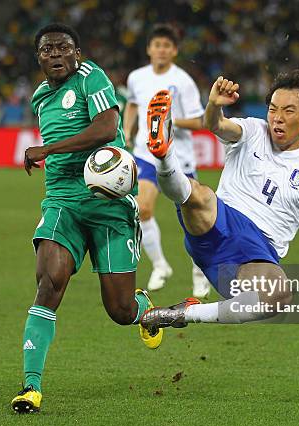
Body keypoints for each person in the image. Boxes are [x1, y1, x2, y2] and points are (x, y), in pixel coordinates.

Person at [11, 23, 162, 414]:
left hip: (109, 203)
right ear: (39, 57)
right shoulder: (42, 97)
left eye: (64, 48)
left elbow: (106, 128)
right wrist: (52, 157)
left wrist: (48, 149)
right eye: (48, 50)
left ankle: (143, 308)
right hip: (63, 202)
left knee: (120, 312)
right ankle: (31, 387)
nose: (56, 55)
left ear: (77, 52)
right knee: (49, 284)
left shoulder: (90, 76)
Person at [139, 71, 299, 334]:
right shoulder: (253, 130)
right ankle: (163, 156)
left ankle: (182, 313)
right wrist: (214, 104)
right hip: (220, 221)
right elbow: (217, 125)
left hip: (255, 256)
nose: (277, 118)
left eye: (288, 111)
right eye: (273, 109)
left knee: (280, 294)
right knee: (200, 195)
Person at [123, 24, 210, 297]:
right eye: (156, 45)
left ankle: (199, 272)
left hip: (177, 158)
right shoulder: (136, 77)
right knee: (143, 209)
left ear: (174, 51)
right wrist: (126, 131)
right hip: (145, 153)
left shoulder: (183, 80)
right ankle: (160, 266)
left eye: (166, 46)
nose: (161, 50)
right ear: (149, 49)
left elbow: (200, 120)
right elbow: (134, 104)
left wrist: (166, 121)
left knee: (193, 221)